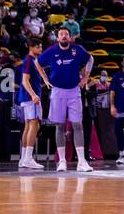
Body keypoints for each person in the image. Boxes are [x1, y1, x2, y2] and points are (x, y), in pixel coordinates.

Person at [38, 26, 93, 172]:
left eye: (66, 34)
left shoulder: (78, 49)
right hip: (57, 92)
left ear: (70, 37)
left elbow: (90, 59)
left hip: (74, 91)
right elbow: (38, 62)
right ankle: (62, 161)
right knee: (60, 126)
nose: (64, 36)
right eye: (61, 34)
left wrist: (85, 78)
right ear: (57, 38)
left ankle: (82, 161)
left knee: (77, 125)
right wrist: (45, 78)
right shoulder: (51, 51)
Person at [15, 38, 46, 169]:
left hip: (27, 97)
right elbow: (24, 81)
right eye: (39, 47)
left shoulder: (32, 61)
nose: (41, 49)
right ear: (32, 47)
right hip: (30, 97)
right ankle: (28, 158)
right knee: (34, 125)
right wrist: (33, 95)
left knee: (29, 126)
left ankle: (23, 158)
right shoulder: (29, 60)